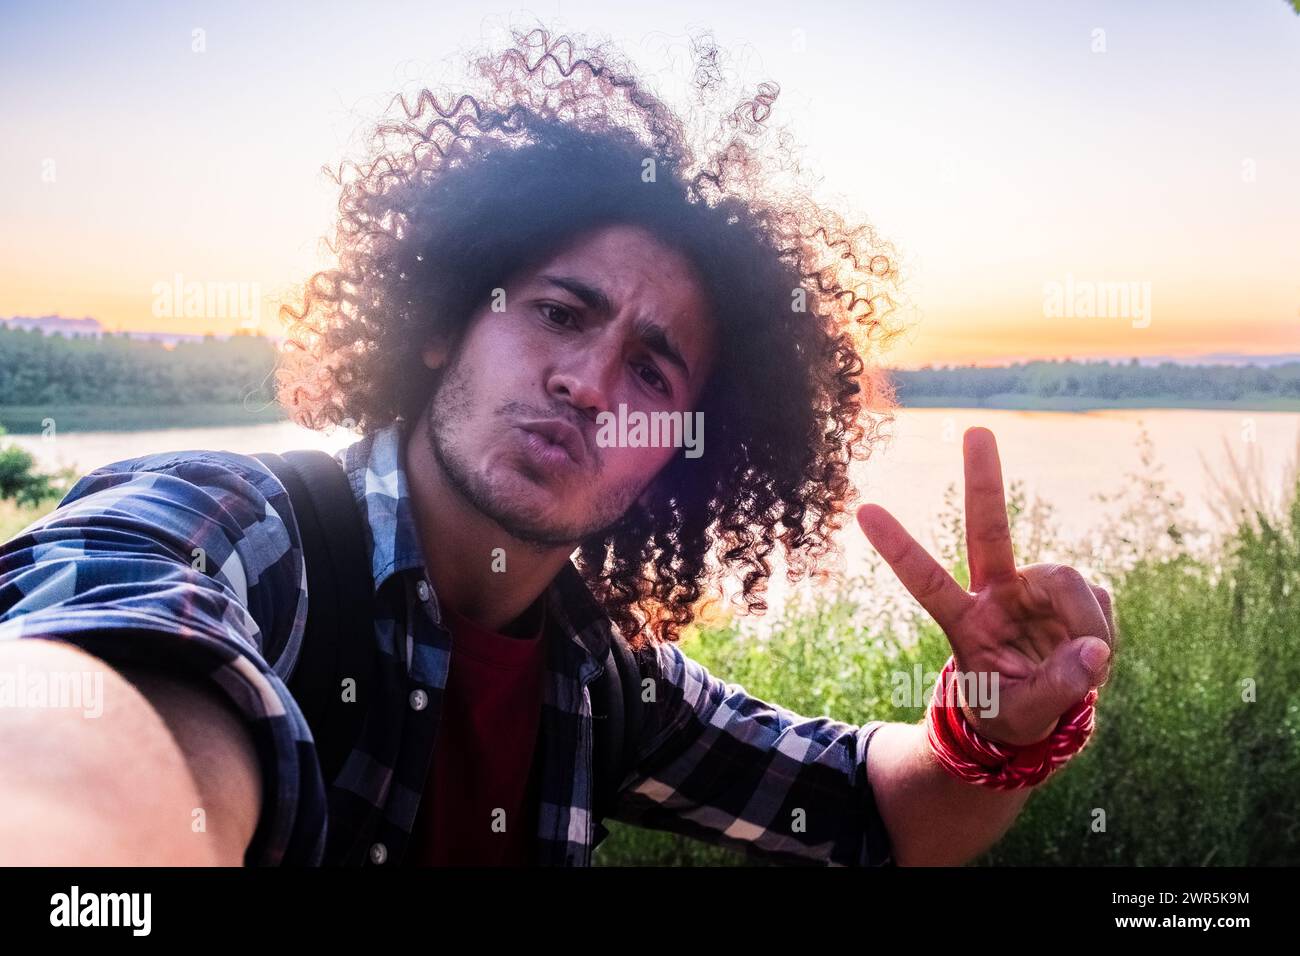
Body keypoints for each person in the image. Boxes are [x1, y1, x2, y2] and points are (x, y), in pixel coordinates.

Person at [0, 29, 1113, 866]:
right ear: (441, 322)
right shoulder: (244, 530)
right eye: (558, 313)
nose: (586, 383)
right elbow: (97, 679)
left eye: (651, 368)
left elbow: (872, 808)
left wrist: (989, 722)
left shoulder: (598, 673)